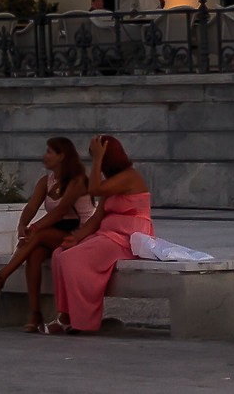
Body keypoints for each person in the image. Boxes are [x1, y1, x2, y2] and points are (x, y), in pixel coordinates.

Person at [0, 137, 93, 332]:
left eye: (49, 152)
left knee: (37, 236)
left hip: (82, 234)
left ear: (62, 155)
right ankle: (35, 313)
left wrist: (34, 229)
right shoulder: (45, 182)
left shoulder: (78, 180)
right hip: (58, 231)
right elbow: (31, 207)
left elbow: (60, 210)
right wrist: (22, 225)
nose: (44, 156)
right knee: (34, 254)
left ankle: (1, 277)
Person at [46, 135, 151, 335]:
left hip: (128, 239)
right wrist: (76, 238)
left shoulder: (130, 176)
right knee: (60, 253)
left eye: (98, 158)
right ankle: (65, 316)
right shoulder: (111, 182)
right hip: (107, 235)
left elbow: (94, 189)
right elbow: (95, 220)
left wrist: (96, 159)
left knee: (71, 259)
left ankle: (81, 320)